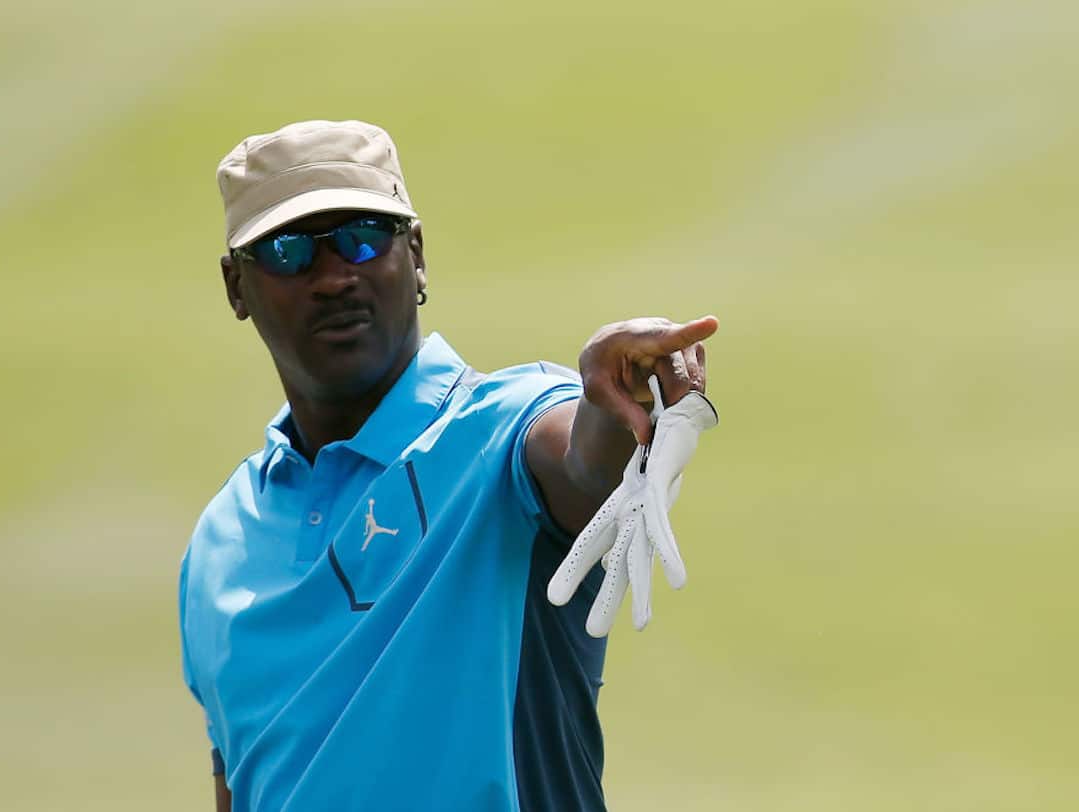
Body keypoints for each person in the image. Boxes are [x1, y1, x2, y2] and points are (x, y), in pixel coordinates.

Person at [178, 119, 717, 812]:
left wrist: (617, 406)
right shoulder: (221, 540)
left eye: (365, 235)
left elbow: (579, 459)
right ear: (236, 288)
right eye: (287, 253)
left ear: (417, 254)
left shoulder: (497, 432)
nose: (335, 276)